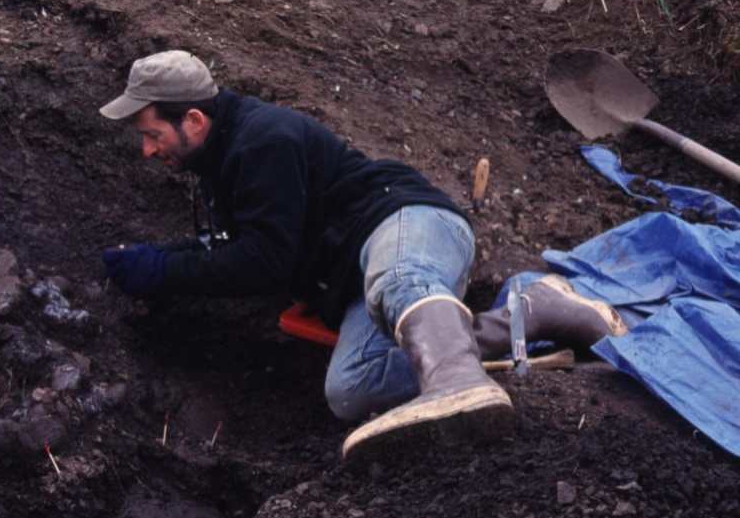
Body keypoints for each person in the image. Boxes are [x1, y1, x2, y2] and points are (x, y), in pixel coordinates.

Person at [99, 50, 628, 467]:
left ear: (192, 119)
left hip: (407, 223)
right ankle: (532, 310)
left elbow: (266, 260)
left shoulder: (262, 141)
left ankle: (456, 383)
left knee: (397, 277)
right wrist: (158, 257)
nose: (147, 149)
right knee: (351, 391)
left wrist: (163, 272)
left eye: (152, 134)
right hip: (359, 281)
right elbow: (250, 242)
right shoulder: (222, 157)